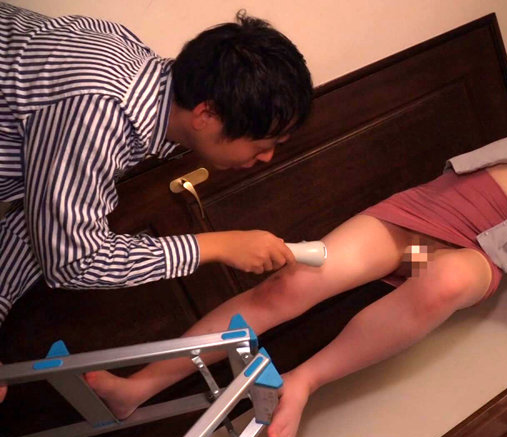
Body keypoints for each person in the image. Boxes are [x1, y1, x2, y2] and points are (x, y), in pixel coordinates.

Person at [85, 42, 507, 437]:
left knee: (452, 279)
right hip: (421, 220)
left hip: (467, 256)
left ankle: (303, 382)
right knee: (291, 284)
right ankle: (135, 390)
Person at [0, 3, 313, 403]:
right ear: (206, 114)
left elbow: (44, 216)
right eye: (263, 143)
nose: (267, 157)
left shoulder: (136, 79)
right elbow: (73, 260)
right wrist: (218, 245)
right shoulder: (99, 110)